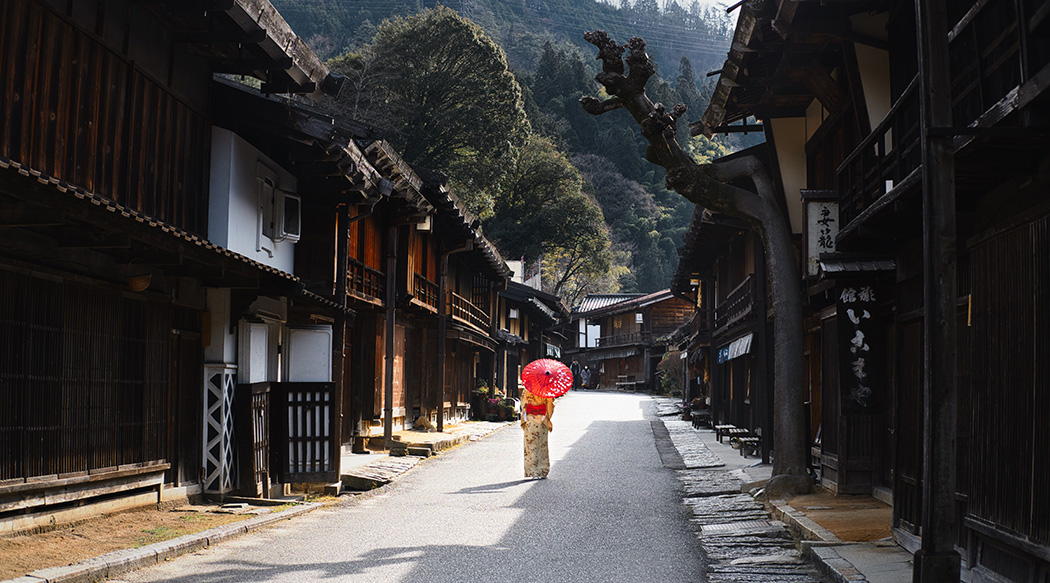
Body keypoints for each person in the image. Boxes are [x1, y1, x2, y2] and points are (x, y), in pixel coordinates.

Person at [520, 386, 555, 479]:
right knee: (542, 445)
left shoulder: (528, 388)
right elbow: (550, 404)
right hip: (542, 418)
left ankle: (532, 472)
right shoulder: (547, 390)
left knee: (530, 445)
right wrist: (546, 416)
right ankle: (542, 470)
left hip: (531, 418)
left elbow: (523, 402)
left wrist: (525, 416)